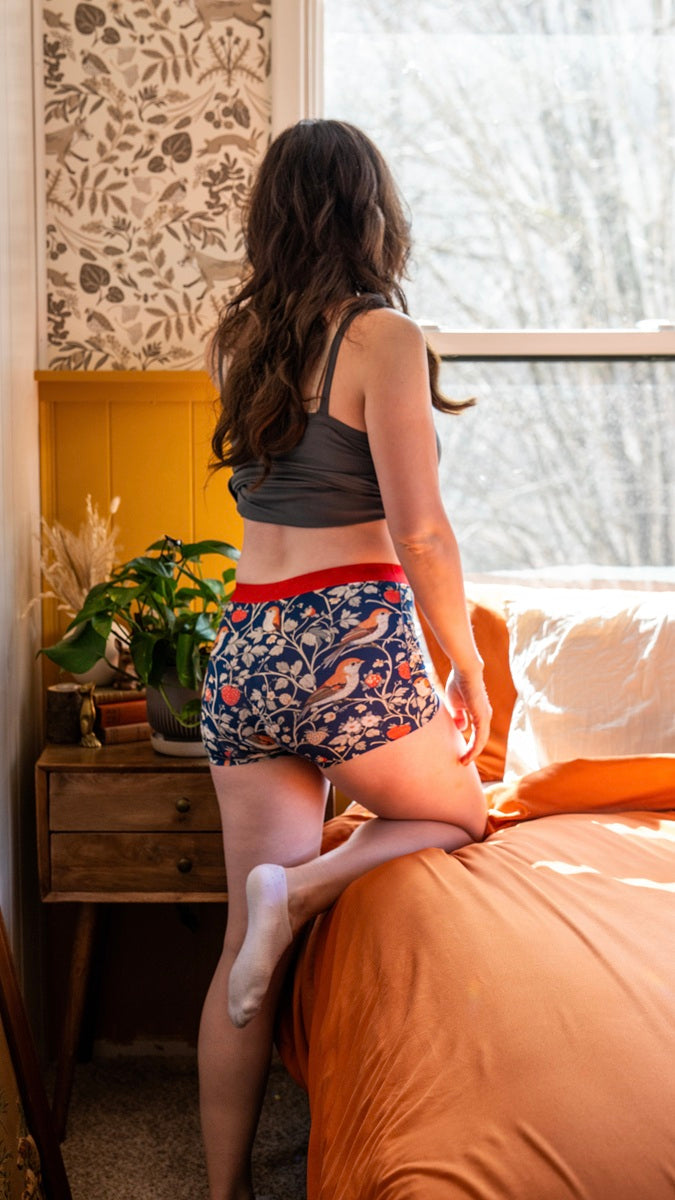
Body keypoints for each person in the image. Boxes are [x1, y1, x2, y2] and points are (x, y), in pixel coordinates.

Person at [198, 118, 492, 1200]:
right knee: (457, 814)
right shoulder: (384, 338)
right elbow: (421, 534)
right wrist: (463, 660)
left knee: (242, 957)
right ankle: (306, 883)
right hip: (346, 639)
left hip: (246, 644)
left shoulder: (239, 340)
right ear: (374, 213)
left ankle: (221, 1193)